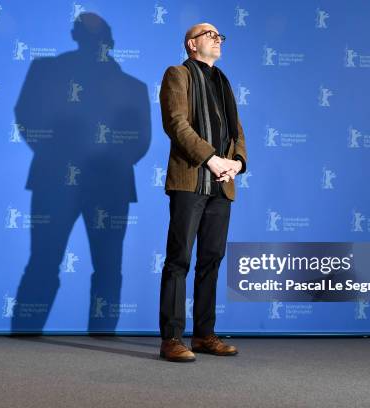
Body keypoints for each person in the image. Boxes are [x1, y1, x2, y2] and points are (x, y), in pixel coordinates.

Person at [158, 22, 248, 362]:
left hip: (223, 182)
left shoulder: (223, 81)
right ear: (192, 44)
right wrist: (210, 159)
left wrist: (237, 162)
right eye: (210, 35)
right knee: (179, 259)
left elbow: (235, 129)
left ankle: (204, 335)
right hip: (190, 179)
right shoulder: (177, 74)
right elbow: (176, 123)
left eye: (220, 36)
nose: (218, 39)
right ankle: (171, 339)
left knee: (211, 260)